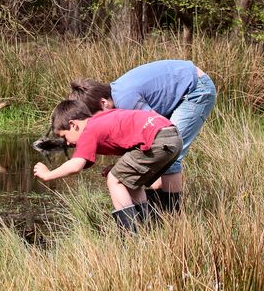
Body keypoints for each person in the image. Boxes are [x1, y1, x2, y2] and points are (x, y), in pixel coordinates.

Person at [69, 59, 216, 212]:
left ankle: (172, 216)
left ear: (104, 102)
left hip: (195, 89)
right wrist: (127, 164)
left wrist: (126, 166)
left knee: (170, 152)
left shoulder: (125, 100)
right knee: (160, 157)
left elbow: (158, 131)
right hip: (184, 86)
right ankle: (155, 214)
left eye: (96, 117)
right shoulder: (117, 96)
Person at [32, 98, 181, 232]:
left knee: (114, 179)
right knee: (130, 182)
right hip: (171, 135)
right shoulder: (101, 119)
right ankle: (145, 229)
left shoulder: (88, 130)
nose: (68, 143)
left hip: (157, 139)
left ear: (73, 125)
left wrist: (48, 174)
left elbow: (76, 165)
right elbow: (131, 138)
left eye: (64, 137)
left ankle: (129, 236)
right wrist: (119, 166)